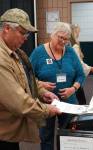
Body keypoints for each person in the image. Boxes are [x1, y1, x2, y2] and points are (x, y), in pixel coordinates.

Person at [0, 8, 61, 150]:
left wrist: (41, 91)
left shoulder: (14, 52)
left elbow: (24, 78)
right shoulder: (2, 59)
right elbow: (18, 102)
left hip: (9, 132)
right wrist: (47, 110)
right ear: (7, 28)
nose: (26, 37)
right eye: (22, 32)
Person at [30, 22, 85, 150]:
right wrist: (40, 83)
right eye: (60, 37)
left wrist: (73, 89)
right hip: (46, 103)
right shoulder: (38, 53)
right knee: (46, 137)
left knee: (69, 137)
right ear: (52, 35)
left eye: (66, 39)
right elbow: (27, 76)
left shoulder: (70, 52)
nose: (63, 41)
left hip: (69, 103)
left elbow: (81, 75)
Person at [70, 24, 93, 104]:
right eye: (78, 32)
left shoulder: (69, 45)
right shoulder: (75, 46)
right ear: (74, 32)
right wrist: (90, 68)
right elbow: (79, 62)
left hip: (70, 74)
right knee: (81, 101)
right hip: (74, 76)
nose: (79, 34)